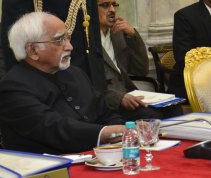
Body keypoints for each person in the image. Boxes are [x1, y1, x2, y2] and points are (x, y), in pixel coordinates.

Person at [0, 12, 125, 154]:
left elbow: (106, 113)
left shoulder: (75, 73)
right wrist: (103, 133)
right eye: (59, 40)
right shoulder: (13, 87)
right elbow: (54, 128)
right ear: (33, 50)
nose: (70, 47)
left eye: (67, 38)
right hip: (49, 169)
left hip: (103, 156)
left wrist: (120, 133)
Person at [96, 0, 182, 119]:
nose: (112, 10)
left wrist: (132, 35)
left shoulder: (117, 33)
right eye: (105, 5)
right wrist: (120, 98)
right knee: (152, 115)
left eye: (114, 4)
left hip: (129, 93)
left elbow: (140, 70)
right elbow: (91, 85)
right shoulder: (86, 41)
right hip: (108, 101)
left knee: (174, 108)